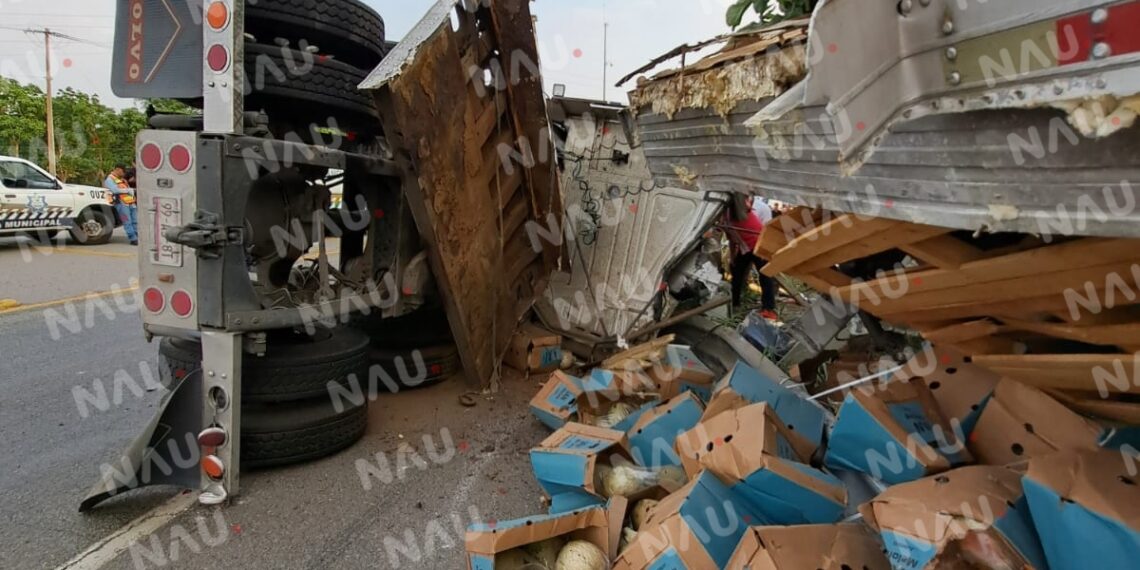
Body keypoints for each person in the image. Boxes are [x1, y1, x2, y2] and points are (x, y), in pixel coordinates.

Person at [725, 196, 778, 321]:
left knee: (765, 276)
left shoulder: (742, 210)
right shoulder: (725, 216)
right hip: (746, 248)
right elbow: (732, 240)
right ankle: (735, 302)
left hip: (759, 245)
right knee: (736, 273)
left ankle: (768, 309)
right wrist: (732, 256)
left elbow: (744, 203)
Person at [105, 164, 137, 245]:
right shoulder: (109, 179)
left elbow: (127, 188)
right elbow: (115, 190)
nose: (124, 174)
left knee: (135, 220)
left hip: (130, 202)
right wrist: (128, 190)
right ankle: (133, 238)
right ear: (118, 169)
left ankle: (137, 236)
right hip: (121, 204)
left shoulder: (121, 179)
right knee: (127, 221)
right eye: (123, 171)